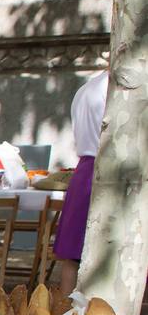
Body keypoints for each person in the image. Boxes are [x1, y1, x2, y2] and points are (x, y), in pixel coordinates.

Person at [52, 69, 109, 295]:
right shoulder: (120, 89)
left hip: (84, 170)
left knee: (73, 256)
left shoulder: (86, 89)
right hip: (110, 170)